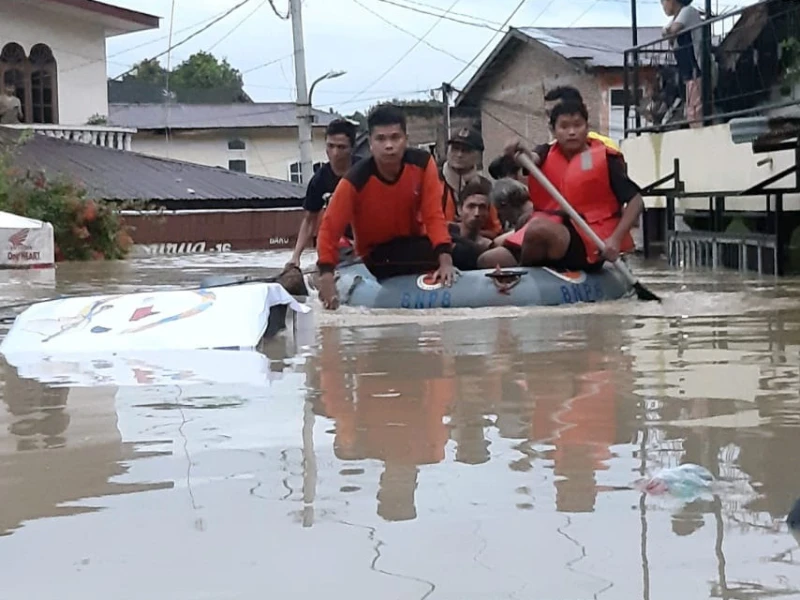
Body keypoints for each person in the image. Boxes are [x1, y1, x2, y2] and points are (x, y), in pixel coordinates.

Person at [477, 99, 644, 272]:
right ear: (553, 131)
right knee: (488, 260)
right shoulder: (545, 152)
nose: (571, 132)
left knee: (537, 229)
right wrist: (518, 151)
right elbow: (532, 159)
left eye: (578, 125)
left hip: (590, 239)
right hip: (549, 233)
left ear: (587, 127)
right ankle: (527, 270)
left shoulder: (606, 160)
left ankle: (522, 274)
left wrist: (615, 240)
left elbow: (636, 201)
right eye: (564, 127)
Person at [315, 104, 454, 310]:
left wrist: (445, 259)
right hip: (378, 255)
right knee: (456, 251)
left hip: (413, 241)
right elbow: (329, 227)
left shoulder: (423, 164)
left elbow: (433, 214)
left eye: (395, 138)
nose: (389, 146)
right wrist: (326, 274)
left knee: (459, 240)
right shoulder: (356, 179)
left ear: (405, 139)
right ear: (370, 143)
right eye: (381, 139)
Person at [286, 118, 357, 269]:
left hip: (368, 240)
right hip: (340, 244)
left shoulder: (365, 171)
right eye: (330, 146)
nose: (335, 153)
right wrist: (296, 256)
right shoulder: (319, 180)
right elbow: (309, 220)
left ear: (351, 148)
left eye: (341, 147)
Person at [440, 127, 503, 238]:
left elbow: (495, 230)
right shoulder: (432, 180)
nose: (459, 154)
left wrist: (470, 233)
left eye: (466, 150)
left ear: (478, 156)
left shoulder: (486, 187)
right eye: (455, 149)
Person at [661, 0, 703, 127]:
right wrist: (668, 32)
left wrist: (669, 32)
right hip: (690, 71)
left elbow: (672, 30)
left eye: (663, 2)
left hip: (698, 67)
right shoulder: (677, 17)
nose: (663, 6)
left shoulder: (688, 11)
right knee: (691, 108)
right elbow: (666, 32)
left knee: (695, 109)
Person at [448, 178, 493, 270]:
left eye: (482, 207)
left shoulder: (488, 245)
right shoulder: (446, 232)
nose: (477, 213)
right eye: (471, 206)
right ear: (459, 209)